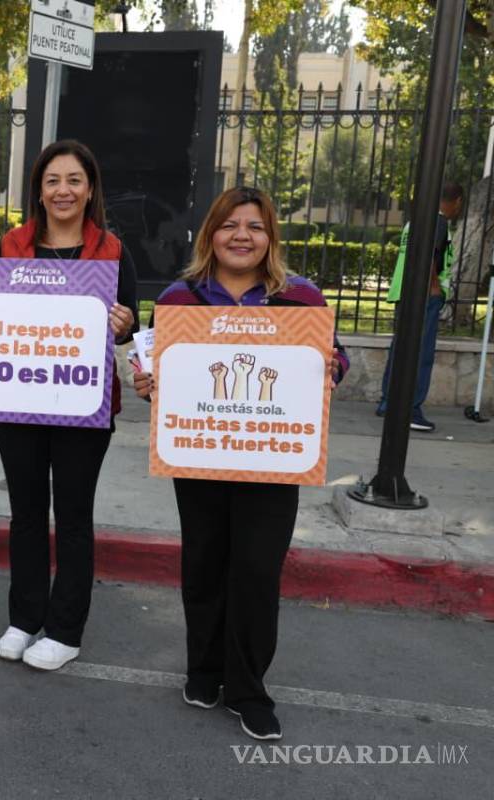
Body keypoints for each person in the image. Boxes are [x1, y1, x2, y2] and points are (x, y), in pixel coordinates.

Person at [133, 186, 349, 741]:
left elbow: (337, 357)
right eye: (229, 225)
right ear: (211, 235)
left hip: (273, 461)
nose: (241, 236)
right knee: (203, 566)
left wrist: (330, 365)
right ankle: (203, 670)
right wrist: (148, 384)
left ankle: (248, 688)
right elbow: (155, 372)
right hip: (200, 454)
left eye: (254, 226)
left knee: (255, 573)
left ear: (269, 237)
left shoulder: (301, 298)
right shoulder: (180, 301)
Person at [0, 139, 138, 672]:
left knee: (73, 516)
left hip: (85, 406)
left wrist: (124, 325)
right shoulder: (11, 244)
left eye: (74, 180)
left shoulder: (113, 250)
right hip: (18, 401)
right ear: (38, 190)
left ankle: (65, 629)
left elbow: (130, 327)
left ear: (90, 188)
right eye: (52, 180)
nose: (63, 190)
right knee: (26, 514)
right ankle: (24, 617)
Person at [376, 183, 465, 432]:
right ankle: (411, 409)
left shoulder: (414, 221)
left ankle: (388, 402)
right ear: (456, 201)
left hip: (404, 292)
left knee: (401, 349)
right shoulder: (438, 223)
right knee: (420, 354)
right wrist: (434, 287)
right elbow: (428, 256)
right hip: (423, 296)